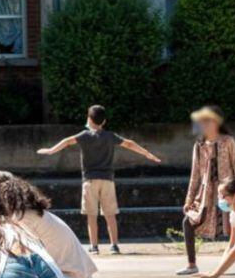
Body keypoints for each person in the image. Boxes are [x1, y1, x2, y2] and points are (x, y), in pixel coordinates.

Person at [37, 104, 161, 255]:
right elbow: (129, 143)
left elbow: (67, 141)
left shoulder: (84, 136)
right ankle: (114, 246)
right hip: (107, 180)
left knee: (91, 215)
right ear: (104, 121)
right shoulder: (110, 136)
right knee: (110, 215)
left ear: (89, 119)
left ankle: (94, 246)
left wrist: (51, 150)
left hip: (89, 181)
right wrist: (147, 154)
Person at [175, 105, 235, 276]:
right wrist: (189, 199)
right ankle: (191, 264)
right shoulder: (199, 145)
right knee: (188, 221)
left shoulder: (228, 141)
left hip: (229, 193)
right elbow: (195, 174)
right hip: (206, 195)